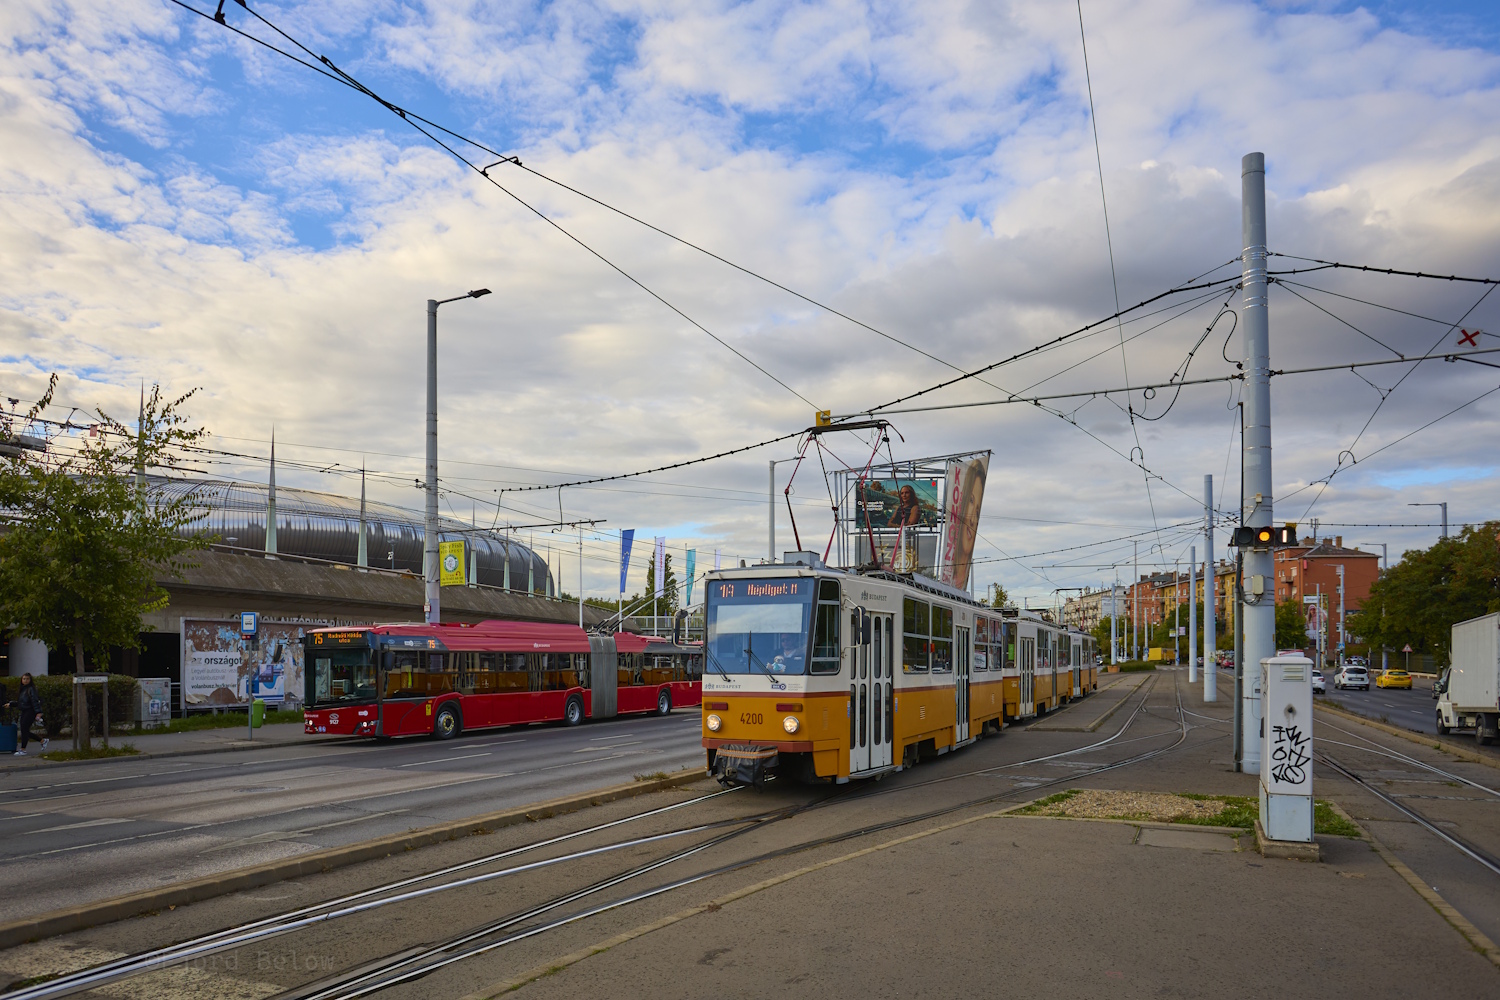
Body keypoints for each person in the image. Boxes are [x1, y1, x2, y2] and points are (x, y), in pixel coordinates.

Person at [6, 673, 47, 755]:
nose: (25, 680)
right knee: (24, 730)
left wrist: (38, 712)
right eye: (24, 679)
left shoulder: (31, 689)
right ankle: (42, 741)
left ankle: (23, 749)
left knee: (24, 729)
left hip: (30, 711)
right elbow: (22, 703)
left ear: (30, 680)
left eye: (27, 679)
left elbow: (34, 701)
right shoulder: (23, 690)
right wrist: (11, 704)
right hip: (25, 711)